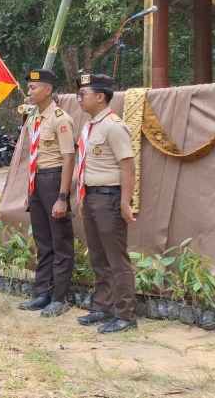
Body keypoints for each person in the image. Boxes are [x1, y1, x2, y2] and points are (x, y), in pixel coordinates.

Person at [74, 73, 138, 334]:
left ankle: (125, 315)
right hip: (91, 196)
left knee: (116, 258)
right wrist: (82, 196)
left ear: (100, 97)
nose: (79, 98)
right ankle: (103, 307)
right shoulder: (89, 126)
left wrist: (125, 202)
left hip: (109, 198)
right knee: (98, 256)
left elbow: (128, 166)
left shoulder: (113, 126)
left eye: (83, 94)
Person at [18, 69, 76, 317]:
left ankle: (59, 298)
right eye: (29, 87)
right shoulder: (34, 117)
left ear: (48, 89)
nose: (29, 91)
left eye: (34, 87)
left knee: (60, 241)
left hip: (54, 179)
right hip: (37, 180)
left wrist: (62, 197)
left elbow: (69, 158)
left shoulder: (60, 119)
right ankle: (42, 293)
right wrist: (30, 188)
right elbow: (32, 155)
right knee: (43, 241)